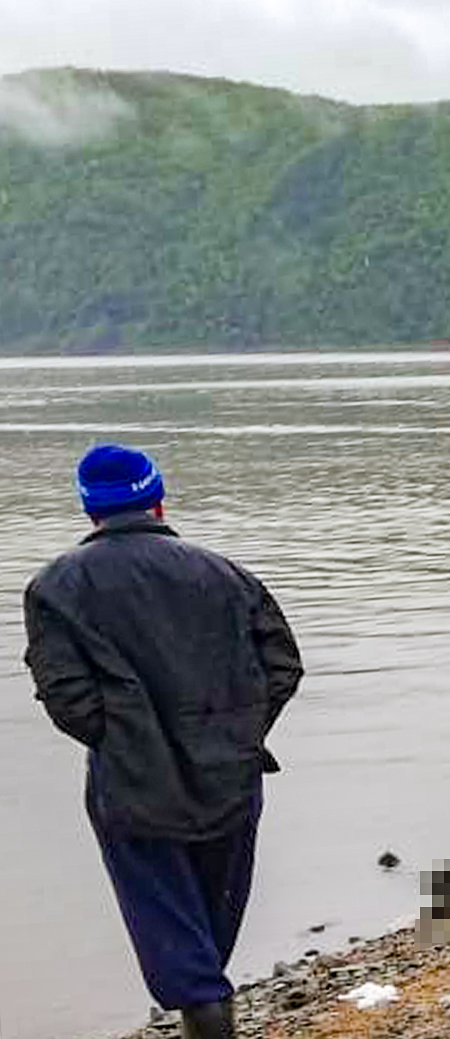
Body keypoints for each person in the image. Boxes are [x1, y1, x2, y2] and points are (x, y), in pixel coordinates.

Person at [23, 445, 303, 1039]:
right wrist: (236, 731)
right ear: (157, 500)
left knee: (164, 911)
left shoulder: (54, 586)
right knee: (212, 907)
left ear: (89, 509)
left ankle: (203, 1012)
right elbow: (282, 665)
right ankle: (205, 1008)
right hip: (231, 771)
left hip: (132, 781)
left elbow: (64, 694)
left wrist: (120, 739)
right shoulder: (225, 572)